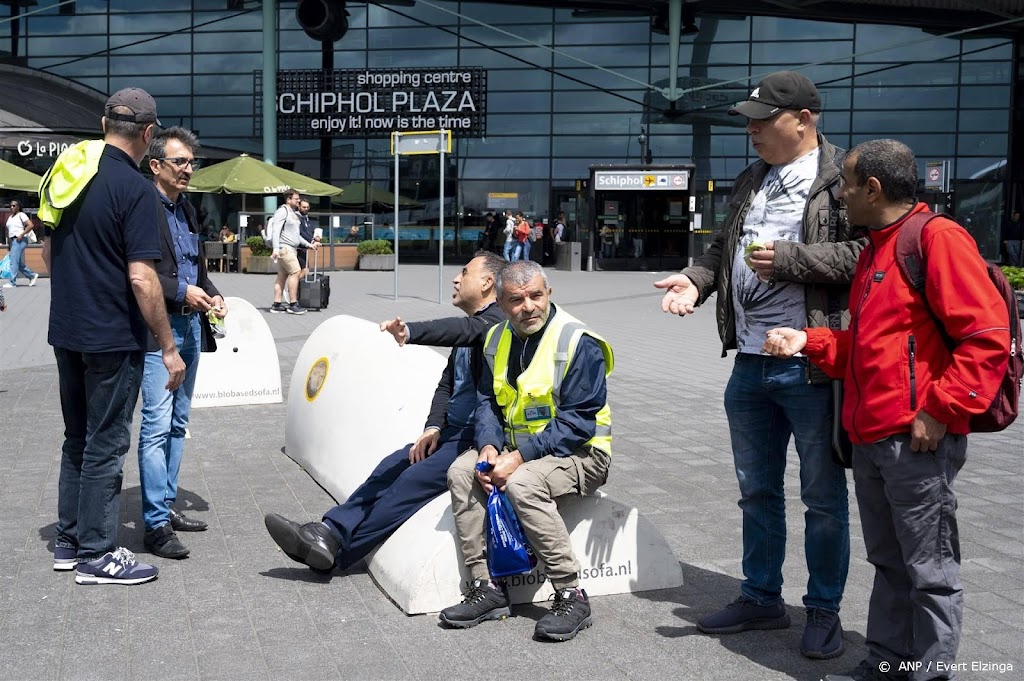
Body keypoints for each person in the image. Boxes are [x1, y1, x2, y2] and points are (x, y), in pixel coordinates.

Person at [763, 139, 1011, 681]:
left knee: (930, 569)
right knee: (891, 562)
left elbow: (986, 336)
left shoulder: (936, 240)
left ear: (872, 189)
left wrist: (941, 408)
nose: (841, 194)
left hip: (915, 438)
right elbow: (876, 347)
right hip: (873, 435)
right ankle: (887, 661)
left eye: (847, 184)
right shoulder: (880, 245)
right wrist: (810, 341)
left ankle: (930, 671)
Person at [653, 70, 863, 659]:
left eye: (762, 118)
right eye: (748, 118)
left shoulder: (841, 177)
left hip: (811, 365)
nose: (750, 128)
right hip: (748, 363)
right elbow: (723, 249)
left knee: (822, 497)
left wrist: (793, 259)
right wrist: (695, 283)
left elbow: (868, 254)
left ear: (803, 120)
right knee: (756, 492)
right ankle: (761, 597)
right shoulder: (755, 177)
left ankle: (823, 611)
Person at [263, 251, 506, 572]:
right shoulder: (474, 327)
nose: (456, 279)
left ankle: (337, 553)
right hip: (449, 434)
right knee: (390, 466)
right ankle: (327, 531)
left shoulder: (495, 323)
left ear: (488, 282)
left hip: (473, 441)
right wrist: (433, 428)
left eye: (465, 273)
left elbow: (459, 330)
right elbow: (447, 385)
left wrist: (412, 332)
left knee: (408, 484)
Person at [41, 87, 185, 585]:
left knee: (76, 438)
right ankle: (98, 554)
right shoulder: (136, 189)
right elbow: (143, 278)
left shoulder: (70, 172)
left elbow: (44, 250)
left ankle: (69, 539)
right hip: (110, 336)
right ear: (148, 134)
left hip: (67, 328)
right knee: (106, 442)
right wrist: (168, 346)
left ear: (104, 123)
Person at [439, 260, 614, 643]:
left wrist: (517, 458)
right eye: (517, 300)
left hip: (581, 453)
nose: (529, 306)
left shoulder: (578, 342)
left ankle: (571, 593)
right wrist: (487, 445)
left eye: (536, 295)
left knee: (522, 484)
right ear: (500, 302)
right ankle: (487, 588)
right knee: (460, 471)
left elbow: (578, 423)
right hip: (517, 446)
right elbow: (487, 401)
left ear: (549, 293)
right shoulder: (496, 338)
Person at [137, 127, 227, 559]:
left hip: (192, 326)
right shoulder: (142, 206)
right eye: (181, 162)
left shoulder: (188, 209)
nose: (189, 169)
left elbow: (197, 267)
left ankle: (167, 505)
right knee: (155, 424)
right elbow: (141, 272)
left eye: (192, 162)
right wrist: (180, 292)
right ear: (156, 165)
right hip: (160, 327)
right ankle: (153, 523)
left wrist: (212, 292)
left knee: (178, 421)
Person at [268, 189, 318, 315]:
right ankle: (293, 304)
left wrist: (308, 245)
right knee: (295, 272)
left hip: (290, 248)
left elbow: (296, 236)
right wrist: (275, 249)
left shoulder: (293, 214)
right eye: (296, 199)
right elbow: (276, 231)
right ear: (288, 199)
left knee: (282, 276)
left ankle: (277, 304)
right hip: (285, 249)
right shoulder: (282, 211)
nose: (298, 201)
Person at [4, 200, 39, 288]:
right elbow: (9, 230)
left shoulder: (21, 215)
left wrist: (22, 234)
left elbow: (30, 225)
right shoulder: (11, 217)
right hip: (13, 241)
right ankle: (32, 275)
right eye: (10, 206)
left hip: (20, 239)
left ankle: (12, 282)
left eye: (14, 206)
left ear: (18, 207)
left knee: (13, 261)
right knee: (17, 262)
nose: (12, 207)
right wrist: (9, 244)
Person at [295, 198, 315, 273]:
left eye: (307, 207)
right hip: (297, 248)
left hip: (303, 248)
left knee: (303, 270)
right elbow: (301, 232)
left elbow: (307, 231)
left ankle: (297, 284)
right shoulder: (296, 217)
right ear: (299, 206)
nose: (306, 209)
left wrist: (314, 237)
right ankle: (295, 283)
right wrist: (312, 240)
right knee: (303, 270)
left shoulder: (305, 218)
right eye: (304, 207)